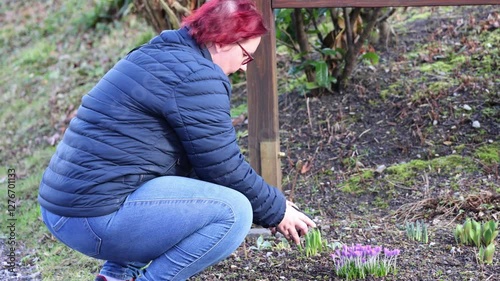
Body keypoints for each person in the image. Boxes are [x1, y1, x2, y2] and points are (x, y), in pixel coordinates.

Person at [38, 0, 316, 280]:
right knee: (235, 212)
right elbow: (223, 167)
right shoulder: (197, 75)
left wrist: (270, 205)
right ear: (222, 42)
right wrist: (277, 211)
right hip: (90, 217)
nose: (244, 68)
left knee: (196, 190)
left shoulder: (162, 52)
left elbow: (205, 164)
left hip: (65, 207)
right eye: (246, 55)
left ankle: (116, 275)